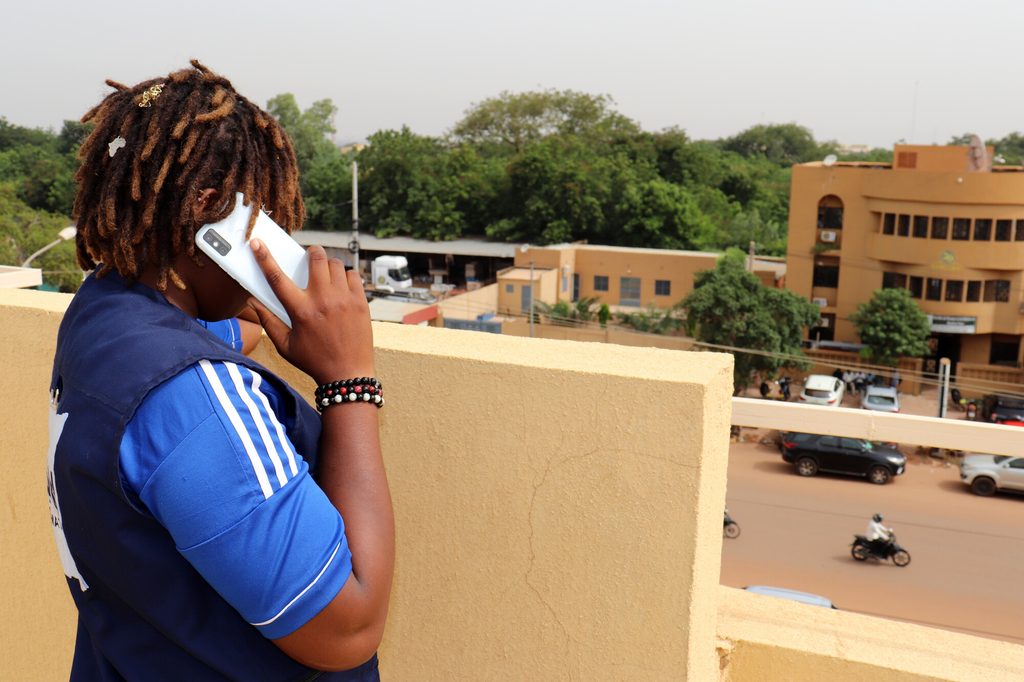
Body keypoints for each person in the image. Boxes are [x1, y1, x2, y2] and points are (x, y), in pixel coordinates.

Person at [46, 61, 393, 680]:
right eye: (265, 213)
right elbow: (350, 629)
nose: (278, 229)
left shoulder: (102, 314)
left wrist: (260, 298)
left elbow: (208, 342)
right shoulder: (194, 399)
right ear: (210, 212)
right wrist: (350, 382)